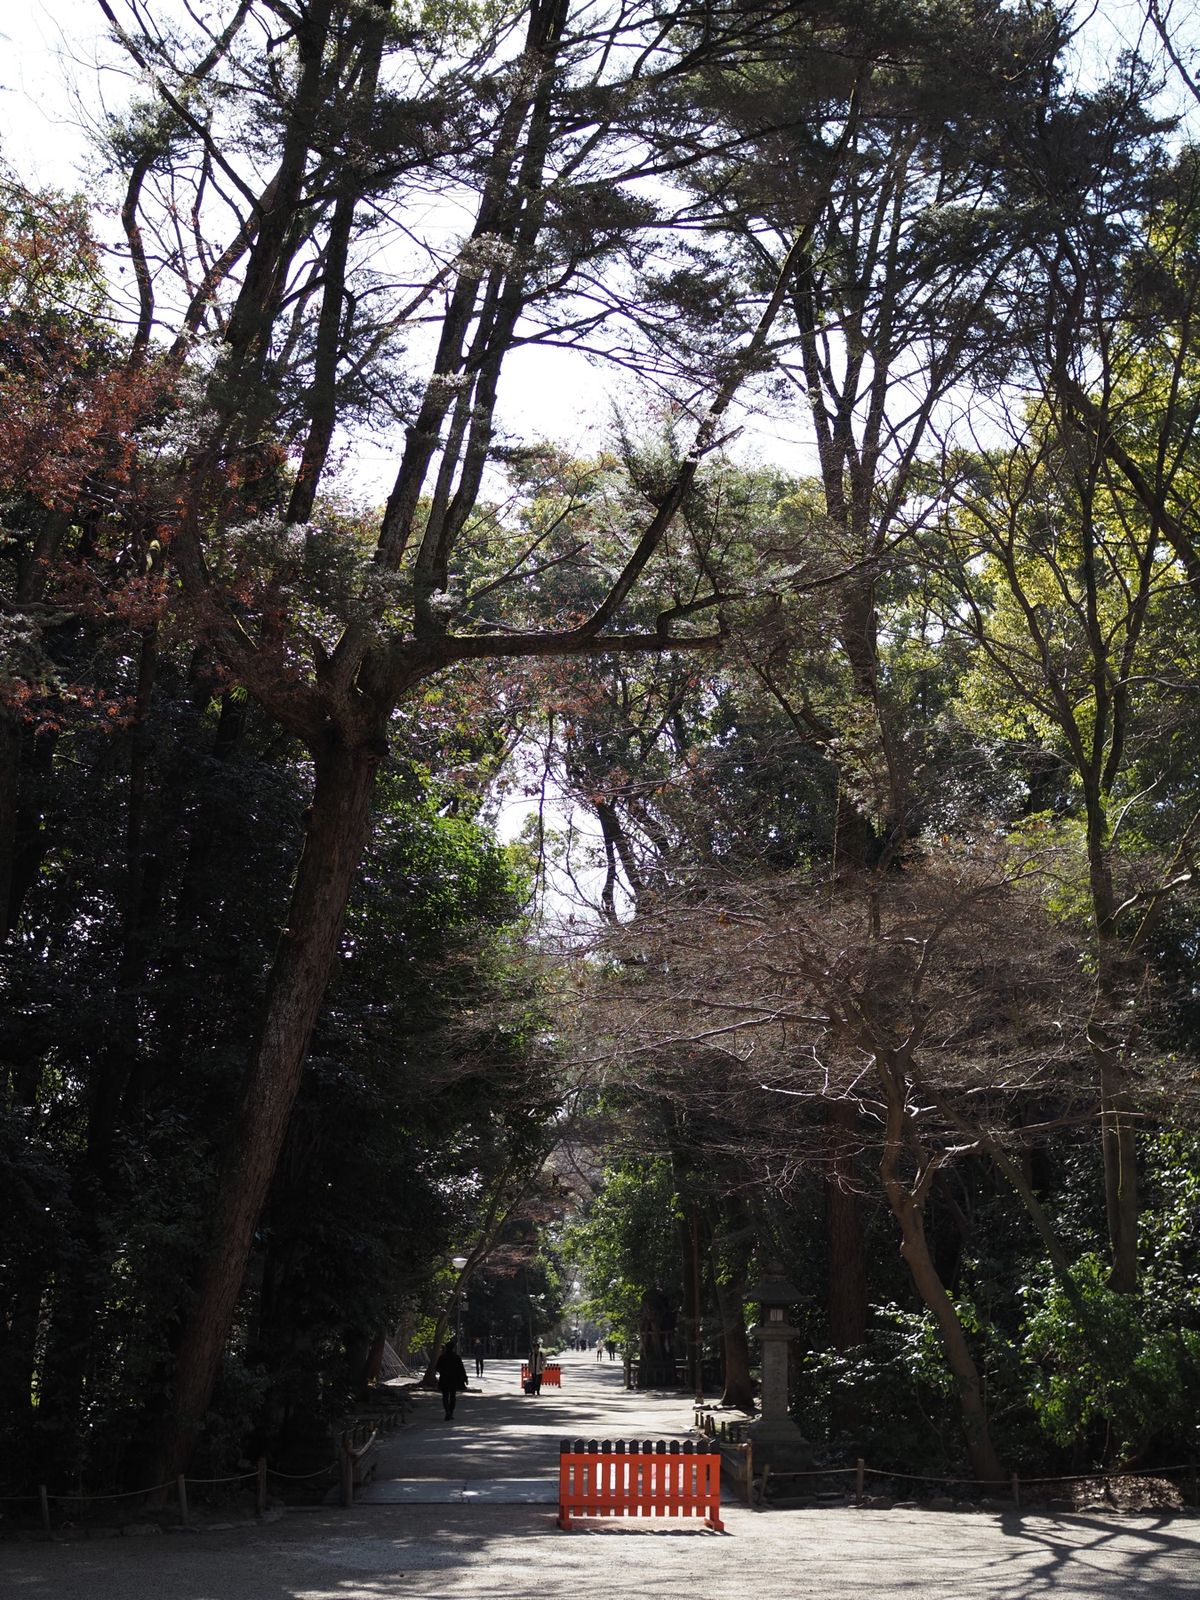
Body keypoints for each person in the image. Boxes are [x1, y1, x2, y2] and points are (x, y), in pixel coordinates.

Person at [434, 1339, 469, 1421]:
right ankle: (451, 1412)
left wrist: (443, 1372)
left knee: (445, 1396)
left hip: (444, 1379)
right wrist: (465, 1378)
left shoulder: (442, 1357)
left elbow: (437, 1368)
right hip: (454, 1379)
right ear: (453, 1348)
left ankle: (447, 1412)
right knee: (453, 1396)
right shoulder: (456, 1357)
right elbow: (461, 1369)